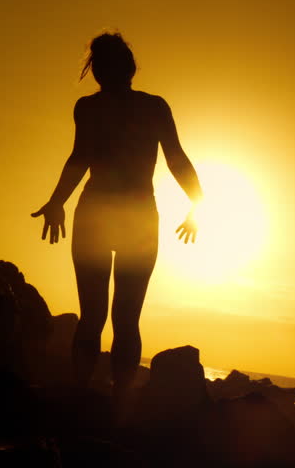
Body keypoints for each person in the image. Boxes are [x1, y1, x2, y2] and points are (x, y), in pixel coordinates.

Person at [31, 32, 202, 401]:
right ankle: (111, 399)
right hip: (130, 216)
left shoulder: (95, 108)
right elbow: (173, 158)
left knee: (100, 315)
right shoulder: (147, 107)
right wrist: (196, 203)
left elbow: (82, 158)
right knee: (119, 317)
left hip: (103, 214)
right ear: (129, 67)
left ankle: (87, 395)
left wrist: (197, 203)